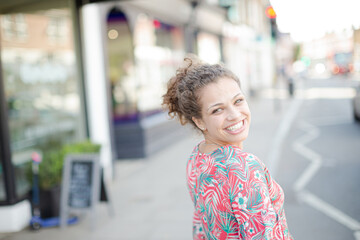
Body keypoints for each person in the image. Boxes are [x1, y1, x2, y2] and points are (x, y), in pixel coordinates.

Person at [162, 55, 293, 240]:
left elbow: (200, 228)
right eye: (217, 110)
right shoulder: (244, 167)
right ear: (199, 121)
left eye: (238, 100)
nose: (234, 115)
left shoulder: (196, 159)